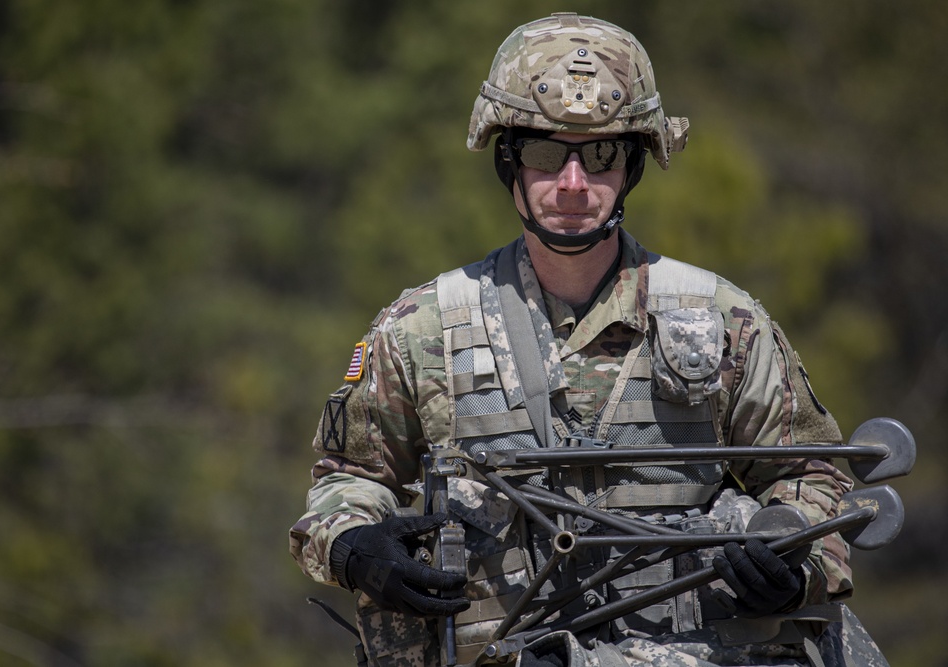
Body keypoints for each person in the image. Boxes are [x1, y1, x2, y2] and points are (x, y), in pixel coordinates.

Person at [290, 12, 885, 667]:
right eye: (547, 153)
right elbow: (345, 479)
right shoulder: (418, 329)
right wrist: (356, 546)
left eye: (599, 154)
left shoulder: (723, 322)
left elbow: (816, 477)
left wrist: (791, 553)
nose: (572, 184)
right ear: (507, 160)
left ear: (630, 165)